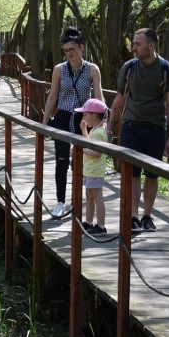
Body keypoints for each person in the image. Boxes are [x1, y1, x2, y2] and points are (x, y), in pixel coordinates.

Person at [109, 28, 169, 233]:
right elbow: (120, 98)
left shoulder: (167, 69)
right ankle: (132, 216)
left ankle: (147, 215)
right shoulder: (129, 67)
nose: (133, 47)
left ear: (151, 46)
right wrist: (108, 125)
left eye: (138, 44)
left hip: (156, 127)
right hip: (131, 126)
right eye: (133, 43)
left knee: (151, 175)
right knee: (131, 173)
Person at [42, 27, 103, 218]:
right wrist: (44, 123)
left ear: (81, 48)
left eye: (72, 50)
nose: (69, 54)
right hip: (61, 117)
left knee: (79, 161)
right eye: (66, 50)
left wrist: (103, 122)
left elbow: (99, 97)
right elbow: (53, 96)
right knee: (61, 161)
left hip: (81, 119)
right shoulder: (59, 69)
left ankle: (76, 201)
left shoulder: (92, 70)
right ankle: (60, 201)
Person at [75, 98, 109, 235]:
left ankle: (101, 226)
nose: (83, 117)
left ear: (94, 115)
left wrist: (80, 149)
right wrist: (84, 131)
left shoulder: (100, 133)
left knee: (97, 197)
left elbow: (97, 153)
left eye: (85, 115)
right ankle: (88, 222)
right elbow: (89, 144)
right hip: (89, 170)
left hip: (95, 170)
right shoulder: (94, 130)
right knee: (89, 196)